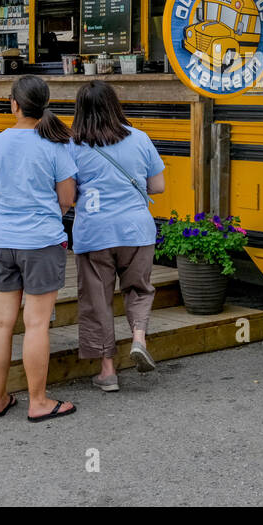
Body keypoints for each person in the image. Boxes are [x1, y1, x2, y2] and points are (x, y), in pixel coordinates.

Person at [0, 75, 77, 421]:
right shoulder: (55, 146)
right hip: (42, 242)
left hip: (2, 240)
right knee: (36, 324)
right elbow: (67, 199)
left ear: (14, 104)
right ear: (43, 105)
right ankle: (38, 402)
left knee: (1, 323)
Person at [68, 80, 166, 391]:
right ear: (114, 105)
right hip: (136, 230)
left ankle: (107, 370)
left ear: (80, 110)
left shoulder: (72, 146)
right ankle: (138, 338)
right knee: (138, 290)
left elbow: (68, 194)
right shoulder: (139, 138)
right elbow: (158, 186)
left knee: (97, 300)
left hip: (94, 232)